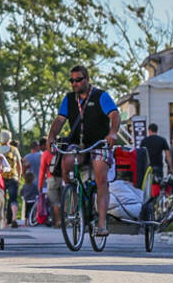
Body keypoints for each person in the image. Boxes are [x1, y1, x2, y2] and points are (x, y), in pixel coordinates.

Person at [48, 64, 121, 236]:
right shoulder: (69, 99)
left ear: (87, 79)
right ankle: (72, 193)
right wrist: (51, 136)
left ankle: (101, 223)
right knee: (66, 160)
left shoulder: (100, 96)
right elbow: (60, 120)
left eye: (78, 80)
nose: (74, 83)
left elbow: (115, 115)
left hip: (98, 143)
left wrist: (112, 133)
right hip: (78, 144)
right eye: (72, 80)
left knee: (101, 177)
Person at [0, 130, 21, 226]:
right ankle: (14, 218)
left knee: (1, 199)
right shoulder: (14, 149)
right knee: (13, 199)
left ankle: (3, 220)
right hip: (13, 176)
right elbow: (19, 165)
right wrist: (19, 177)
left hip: (0, 178)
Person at [138, 123, 172, 191]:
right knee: (159, 185)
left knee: (148, 186)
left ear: (149, 130)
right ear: (156, 130)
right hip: (159, 166)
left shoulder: (144, 141)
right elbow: (168, 155)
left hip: (147, 167)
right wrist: (171, 167)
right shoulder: (162, 140)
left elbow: (141, 155)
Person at [19, 138, 43, 225]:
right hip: (42, 181)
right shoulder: (41, 155)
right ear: (37, 147)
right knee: (40, 201)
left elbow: (23, 169)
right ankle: (39, 218)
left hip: (31, 181)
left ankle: (29, 219)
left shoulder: (26, 157)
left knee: (28, 205)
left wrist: (25, 178)